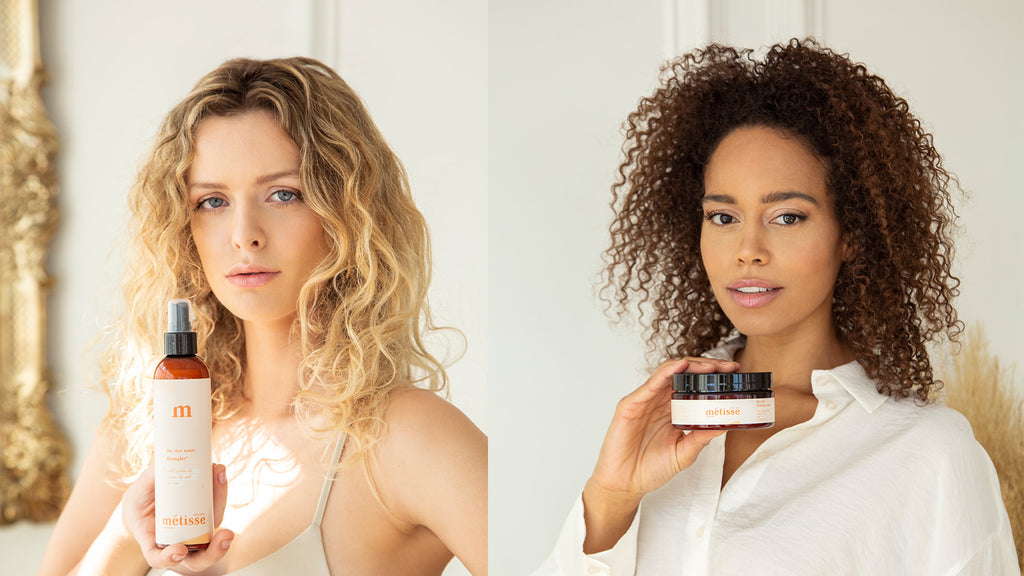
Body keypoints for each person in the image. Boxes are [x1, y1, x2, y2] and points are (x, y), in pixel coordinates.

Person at [536, 39, 1017, 575]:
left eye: (787, 217)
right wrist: (610, 498)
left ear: (851, 234)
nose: (748, 249)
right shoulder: (660, 424)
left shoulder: (927, 453)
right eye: (723, 217)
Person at [38, 57, 487, 576]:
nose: (243, 234)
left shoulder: (404, 436)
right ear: (184, 228)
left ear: (347, 213)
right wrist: (123, 537)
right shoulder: (148, 425)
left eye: (283, 194)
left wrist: (608, 499)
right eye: (211, 201)